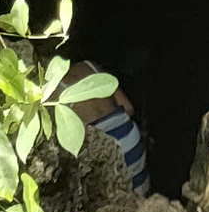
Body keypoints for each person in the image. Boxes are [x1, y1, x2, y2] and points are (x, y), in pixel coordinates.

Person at [59, 60, 150, 198]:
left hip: (103, 151)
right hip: (129, 137)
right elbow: (128, 108)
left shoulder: (52, 90)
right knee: (145, 205)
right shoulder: (89, 66)